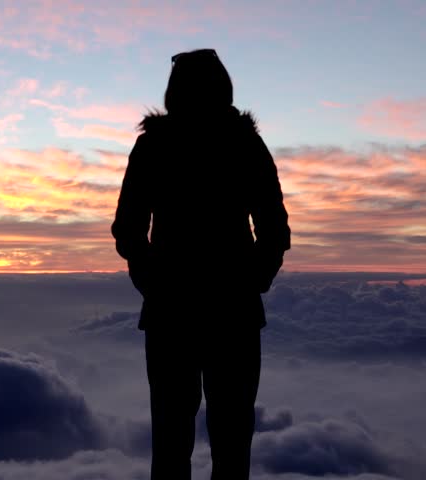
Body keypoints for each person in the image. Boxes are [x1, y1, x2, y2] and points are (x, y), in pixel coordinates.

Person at [111, 48, 291, 480]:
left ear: (174, 92)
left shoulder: (154, 146)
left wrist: (154, 283)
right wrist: (252, 281)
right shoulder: (244, 144)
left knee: (172, 445)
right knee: (231, 446)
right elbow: (275, 230)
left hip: (174, 314)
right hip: (233, 313)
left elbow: (128, 232)